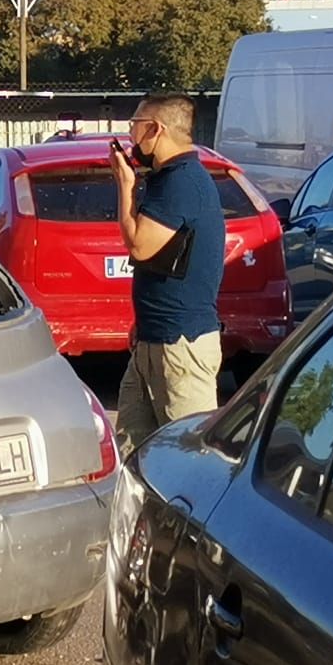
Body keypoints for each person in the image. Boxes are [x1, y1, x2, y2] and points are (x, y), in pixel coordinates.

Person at [111, 92, 225, 450]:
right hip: (152, 339)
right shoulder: (166, 179)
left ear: (155, 129)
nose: (131, 136)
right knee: (134, 452)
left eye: (134, 126)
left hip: (181, 346)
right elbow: (162, 259)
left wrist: (125, 186)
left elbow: (140, 245)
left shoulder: (183, 182)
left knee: (188, 457)